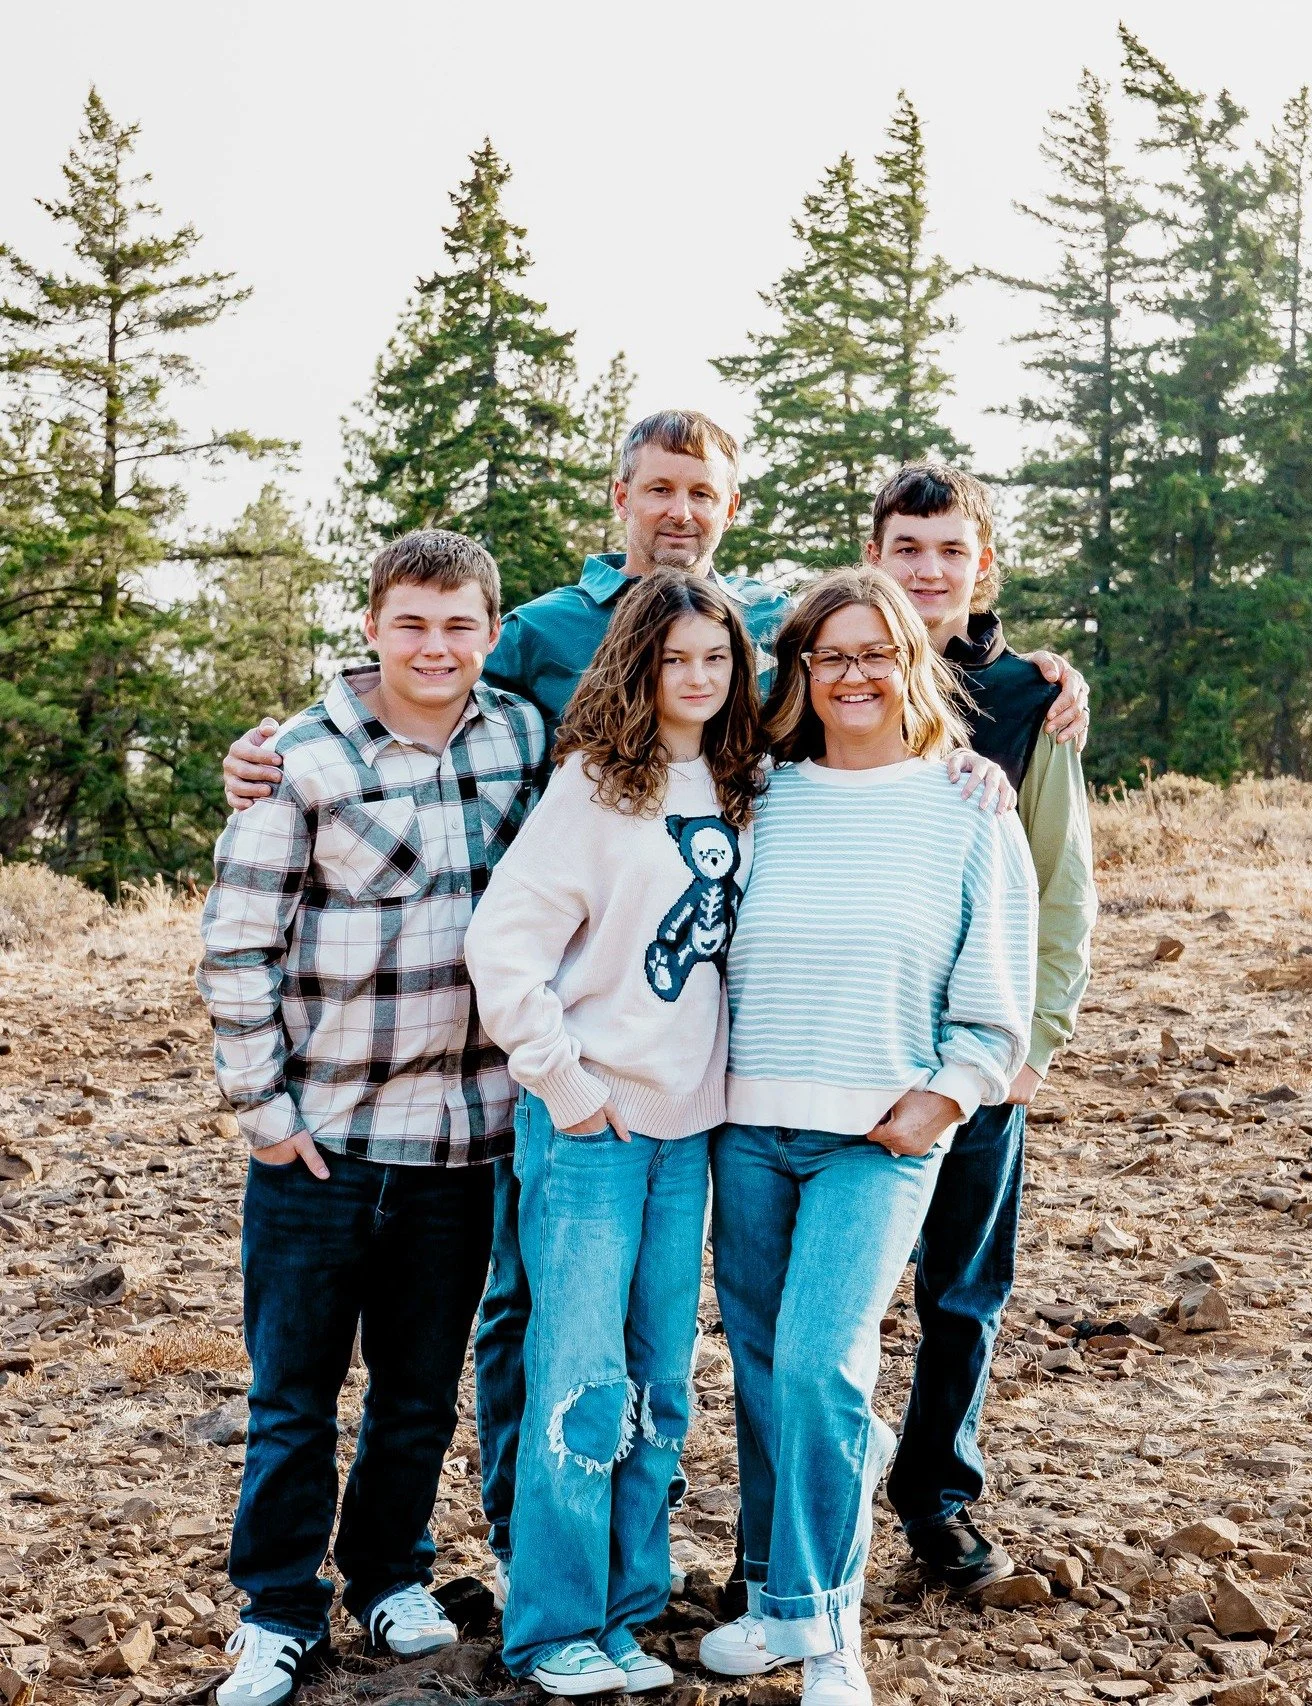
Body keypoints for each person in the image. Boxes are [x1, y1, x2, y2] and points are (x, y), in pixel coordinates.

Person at [215, 412, 1054, 1601]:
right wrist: (280, 743)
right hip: (540, 1071)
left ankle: (644, 1577)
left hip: (699, 1094)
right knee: (530, 1321)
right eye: (658, 488)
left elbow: (876, 678)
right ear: (621, 494)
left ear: (730, 507)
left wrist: (1008, 711)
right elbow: (420, 677)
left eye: (700, 492)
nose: (679, 510)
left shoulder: (764, 644)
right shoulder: (542, 638)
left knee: (670, 1353)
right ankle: (531, 1561)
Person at [197, 532, 544, 1706]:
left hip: (463, 1139)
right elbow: (237, 939)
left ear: (490, 632)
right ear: (372, 626)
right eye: (412, 623)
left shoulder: (522, 740)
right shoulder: (301, 758)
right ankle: (277, 1607)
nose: (435, 646)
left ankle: (390, 1569)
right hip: (324, 1141)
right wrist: (264, 1106)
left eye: (458, 625)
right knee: (293, 1390)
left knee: (417, 1388)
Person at [698, 568, 1037, 1706]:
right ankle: (775, 1598)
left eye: (876, 652)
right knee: (760, 1373)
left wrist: (943, 1098)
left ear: (912, 663)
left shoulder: (966, 805)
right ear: (798, 671)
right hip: (748, 1129)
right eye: (828, 655)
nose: (853, 674)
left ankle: (832, 1626)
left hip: (880, 1134)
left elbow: (997, 996)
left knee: (816, 1362)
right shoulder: (753, 792)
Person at [464, 571, 767, 1695]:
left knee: (659, 1384)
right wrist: (566, 1086)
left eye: (717, 658)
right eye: (675, 658)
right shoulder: (595, 788)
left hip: (689, 1133)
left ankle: (626, 1611)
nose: (698, 676)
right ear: (639, 665)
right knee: (581, 1381)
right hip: (591, 1130)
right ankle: (550, 1625)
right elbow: (504, 947)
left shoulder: (742, 780)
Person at [865, 465, 1098, 1593]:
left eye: (950, 550)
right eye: (907, 548)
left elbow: (1063, 885)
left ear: (982, 565)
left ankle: (938, 1496)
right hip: (839, 1047)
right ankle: (802, 1508)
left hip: (974, 1052)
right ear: (875, 558)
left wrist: (1029, 1046)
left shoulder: (1027, 703)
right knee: (828, 1294)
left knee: (960, 1288)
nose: (928, 570)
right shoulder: (821, 677)